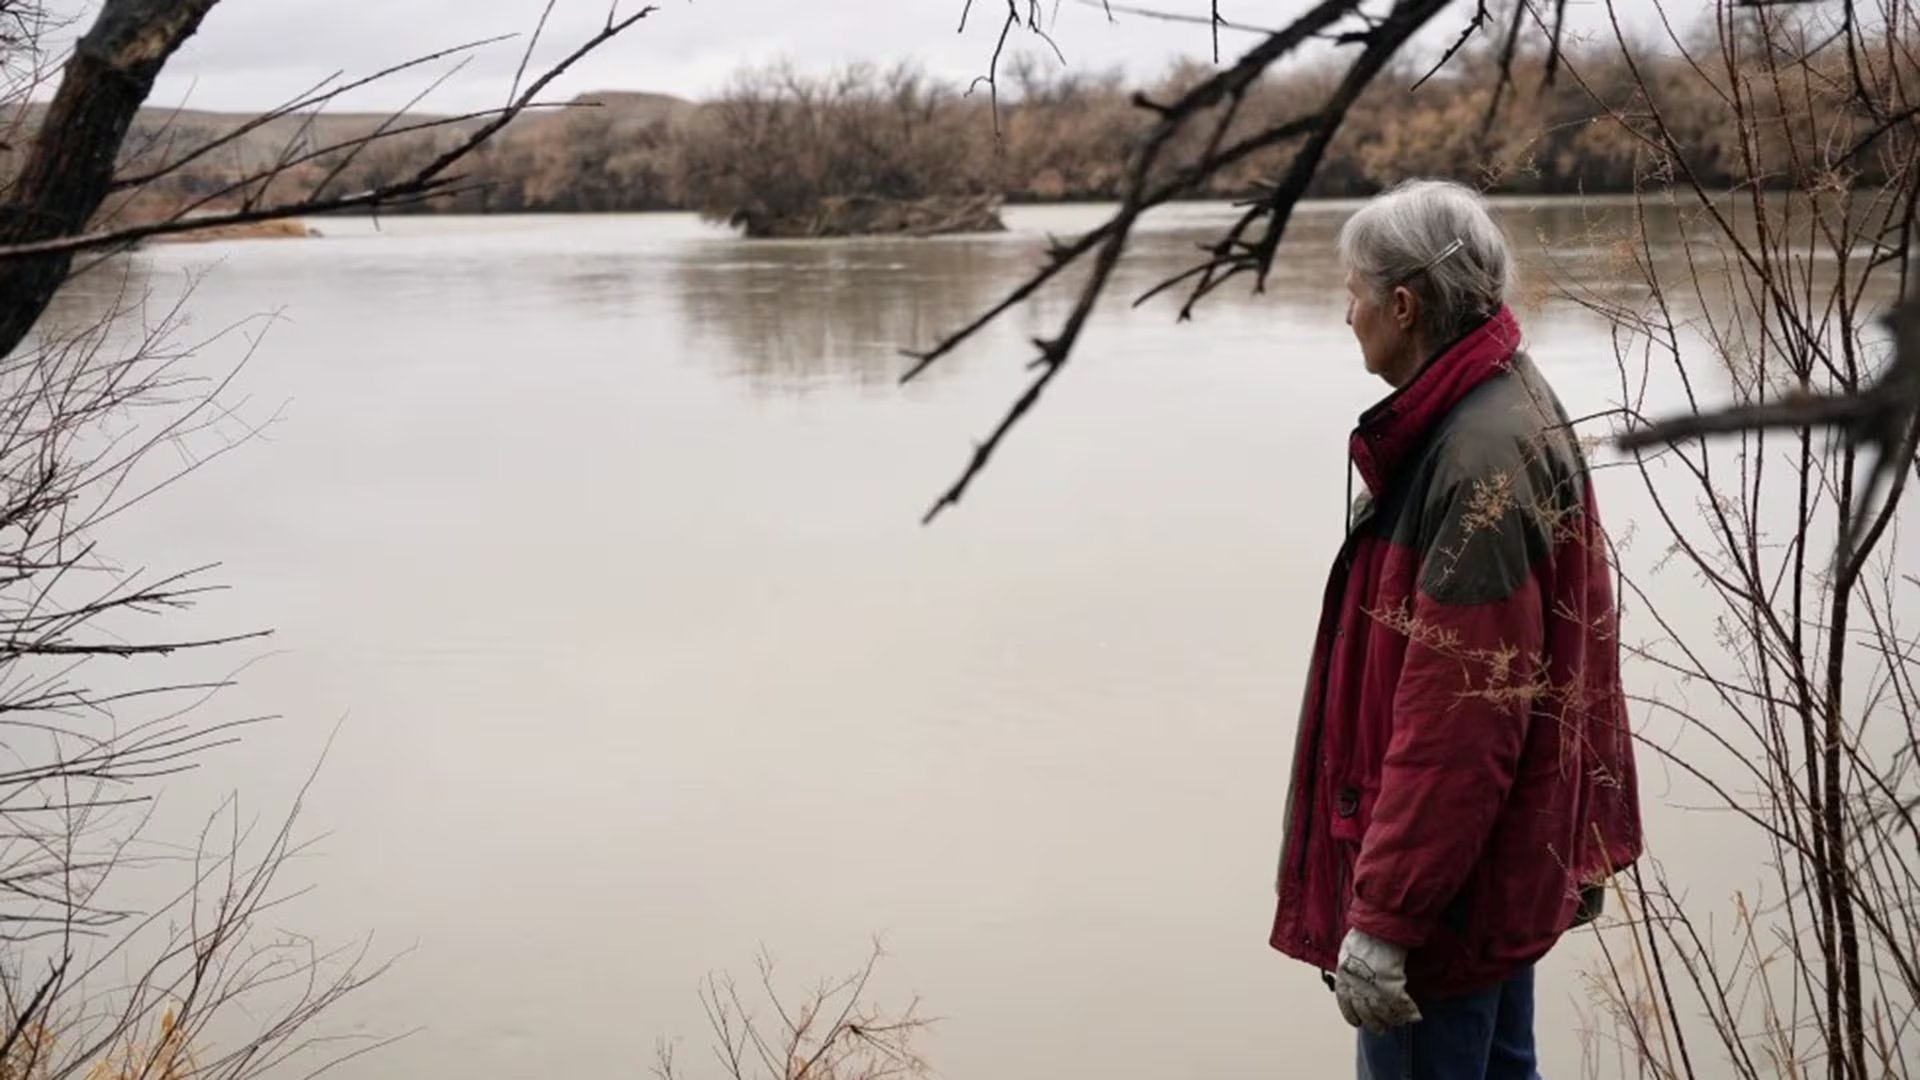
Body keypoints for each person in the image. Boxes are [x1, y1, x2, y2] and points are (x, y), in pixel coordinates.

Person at [1268, 180, 1643, 1079]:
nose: (1345, 311)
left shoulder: (1474, 457)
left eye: (1353, 290)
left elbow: (1459, 727)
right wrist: (1576, 842)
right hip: (1488, 868)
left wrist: (1388, 922)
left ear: (1403, 304)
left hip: (1446, 900)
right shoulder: (1498, 405)